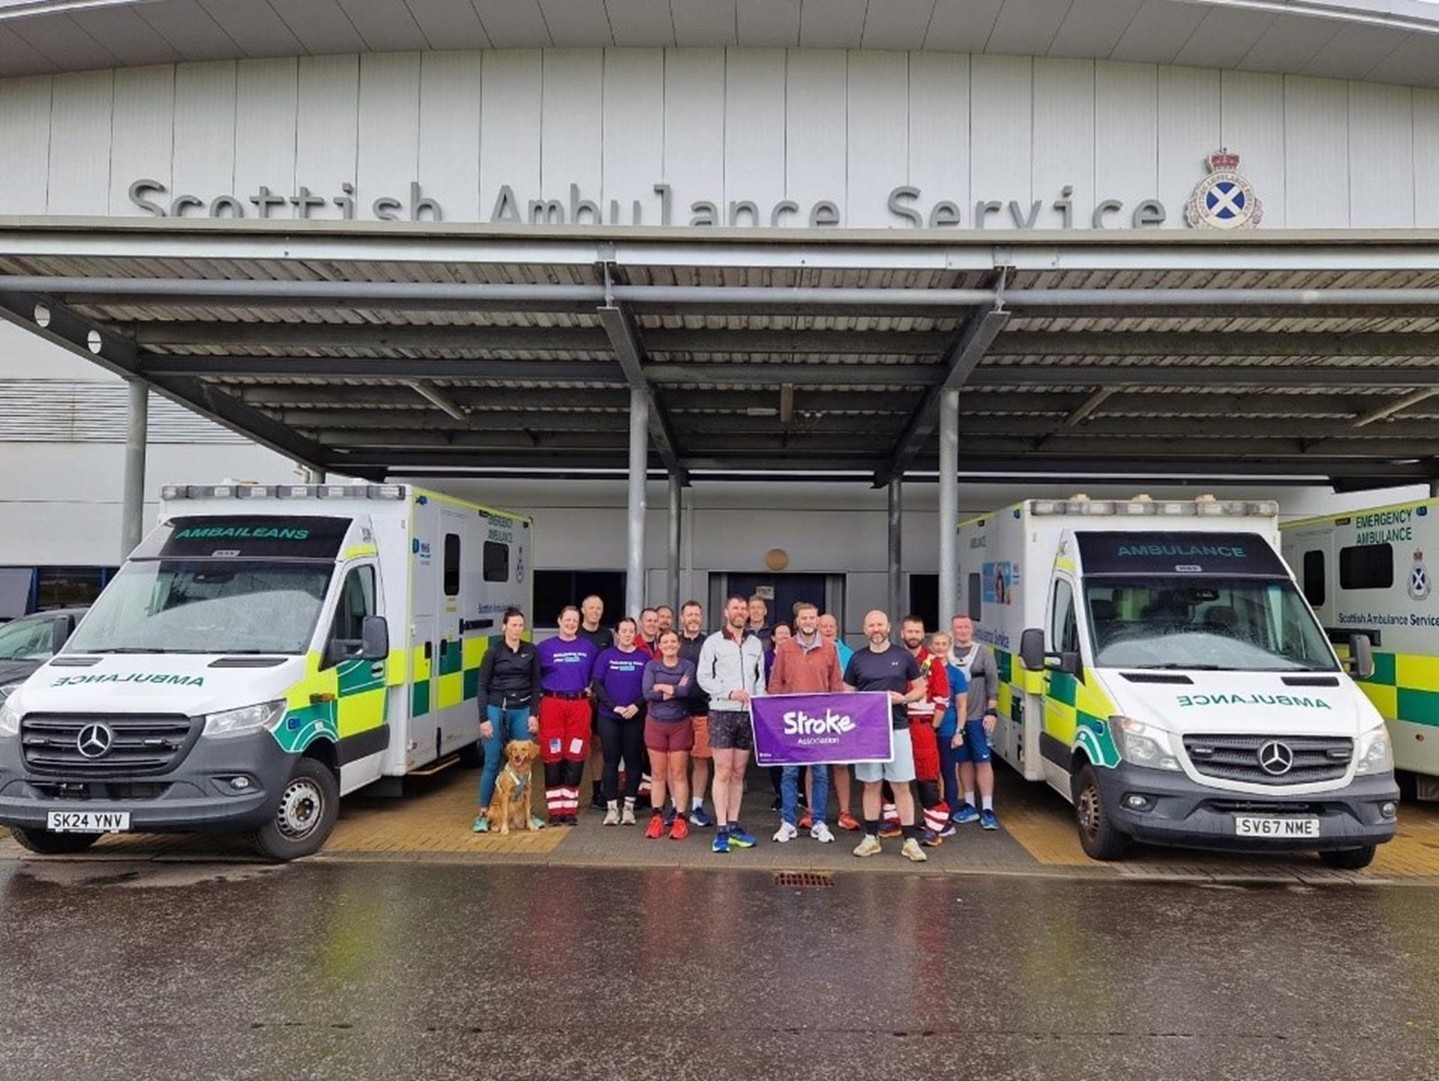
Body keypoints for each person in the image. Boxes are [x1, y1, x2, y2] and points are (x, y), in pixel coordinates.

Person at [844, 609, 927, 862]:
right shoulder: (857, 659)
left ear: (888, 627)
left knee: (901, 785)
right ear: (865, 628)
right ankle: (871, 839)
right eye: (871, 625)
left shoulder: (903, 657)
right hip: (867, 733)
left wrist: (904, 698)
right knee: (871, 785)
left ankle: (910, 841)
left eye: (880, 624)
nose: (876, 629)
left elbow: (920, 689)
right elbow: (847, 694)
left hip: (897, 728)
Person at [767, 601, 841, 844]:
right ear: (796, 622)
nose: (808, 622)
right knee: (789, 773)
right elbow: (775, 684)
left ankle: (818, 822)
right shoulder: (786, 648)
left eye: (812, 618)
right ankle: (788, 822)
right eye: (803, 618)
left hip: (819, 723)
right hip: (792, 722)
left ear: (817, 620)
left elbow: (836, 687)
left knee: (820, 773)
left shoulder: (830, 648)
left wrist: (832, 717)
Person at [697, 594, 765, 853]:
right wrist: (728, 692)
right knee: (723, 771)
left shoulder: (756, 643)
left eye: (743, 608)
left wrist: (759, 701)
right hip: (721, 712)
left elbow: (760, 679)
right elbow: (703, 677)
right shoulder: (713, 642)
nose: (740, 612)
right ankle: (721, 829)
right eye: (735, 608)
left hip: (746, 715)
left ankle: (734, 824)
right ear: (726, 612)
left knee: (738, 772)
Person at [473, 607, 541, 833]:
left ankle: (526, 812)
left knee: (525, 761)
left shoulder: (530, 651)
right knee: (492, 761)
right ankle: (483, 813)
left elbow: (535, 685)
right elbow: (482, 686)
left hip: (521, 709)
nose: (517, 629)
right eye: (513, 625)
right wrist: (484, 718)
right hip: (495, 708)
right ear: (504, 627)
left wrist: (533, 714)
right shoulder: (493, 652)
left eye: (520, 625)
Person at [536, 605, 598, 826]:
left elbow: (596, 676)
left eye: (575, 620)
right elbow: (534, 679)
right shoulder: (544, 648)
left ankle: (569, 809)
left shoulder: (588, 648)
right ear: (559, 620)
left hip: (579, 705)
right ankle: (555, 811)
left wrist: (590, 689)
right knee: (553, 755)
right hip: (552, 704)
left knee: (575, 754)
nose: (571, 624)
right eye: (567, 619)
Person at [899, 615, 952, 847]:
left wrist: (933, 726)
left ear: (923, 635)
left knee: (927, 776)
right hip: (898, 724)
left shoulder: (933, 662)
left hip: (922, 727)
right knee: (894, 775)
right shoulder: (894, 658)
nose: (913, 635)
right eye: (909, 631)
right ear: (902, 633)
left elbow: (943, 698)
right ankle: (893, 821)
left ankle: (934, 827)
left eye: (917, 632)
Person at [591, 617, 649, 825]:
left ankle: (629, 808)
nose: (627, 634)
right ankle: (612, 808)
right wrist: (612, 706)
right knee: (611, 761)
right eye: (623, 630)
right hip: (609, 716)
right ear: (617, 633)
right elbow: (597, 684)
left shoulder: (643, 658)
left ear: (636, 633)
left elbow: (648, 688)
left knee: (634, 761)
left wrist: (636, 705)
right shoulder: (606, 656)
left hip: (635, 716)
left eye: (631, 631)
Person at [642, 630, 696, 840]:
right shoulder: (652, 666)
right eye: (665, 641)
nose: (670, 645)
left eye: (674, 641)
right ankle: (656, 817)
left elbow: (686, 691)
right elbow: (648, 693)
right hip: (655, 724)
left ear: (679, 644)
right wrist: (674, 689)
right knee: (658, 774)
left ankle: (680, 819)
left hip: (680, 724)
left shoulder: (687, 666)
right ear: (659, 645)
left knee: (678, 773)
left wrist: (662, 687)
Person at [949, 615, 1002, 830]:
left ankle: (987, 809)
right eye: (958, 627)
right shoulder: (946, 653)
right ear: (952, 630)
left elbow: (993, 684)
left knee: (983, 761)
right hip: (955, 719)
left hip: (979, 717)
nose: (962, 631)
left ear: (972, 629)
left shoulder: (983, 653)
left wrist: (991, 712)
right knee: (964, 762)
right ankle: (969, 804)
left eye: (966, 627)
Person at [818, 612, 859, 832]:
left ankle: (845, 812)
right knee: (813, 766)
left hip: (840, 717)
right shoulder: (809, 651)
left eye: (831, 625)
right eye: (823, 625)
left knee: (841, 766)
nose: (827, 629)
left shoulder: (849, 654)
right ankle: (813, 812)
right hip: (814, 718)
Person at [677, 599, 715, 828]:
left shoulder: (710, 643)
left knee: (701, 760)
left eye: (696, 614)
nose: (692, 618)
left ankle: (697, 807)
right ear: (682, 618)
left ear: (701, 618)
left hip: (703, 711)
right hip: (676, 712)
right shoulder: (673, 642)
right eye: (688, 614)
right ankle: (677, 806)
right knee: (678, 764)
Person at [931, 629, 971, 837]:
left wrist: (959, 731)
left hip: (948, 730)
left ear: (949, 647)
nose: (939, 647)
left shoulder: (957, 674)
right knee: (929, 775)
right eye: (936, 644)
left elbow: (962, 706)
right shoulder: (924, 671)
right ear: (931, 646)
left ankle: (948, 819)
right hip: (927, 730)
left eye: (943, 644)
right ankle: (933, 816)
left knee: (948, 773)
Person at [578, 594, 613, 811]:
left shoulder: (606, 635)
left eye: (598, 608)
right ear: (583, 610)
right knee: (579, 744)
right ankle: (569, 790)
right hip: (578, 697)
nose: (595, 612)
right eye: (591, 608)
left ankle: (597, 791)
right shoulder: (576, 632)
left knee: (598, 745)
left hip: (598, 697)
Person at [763, 620, 793, 810]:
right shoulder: (765, 658)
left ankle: (797, 793)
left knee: (794, 754)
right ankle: (779, 794)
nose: (783, 636)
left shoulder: (796, 656)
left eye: (786, 633)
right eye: (779, 633)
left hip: (792, 711)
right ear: (773, 637)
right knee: (775, 755)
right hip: (772, 712)